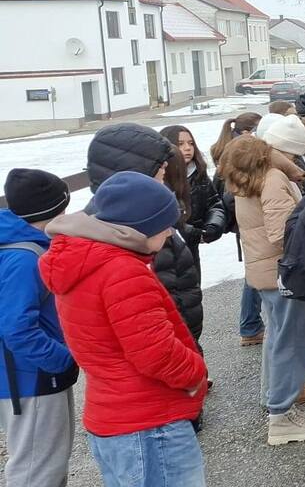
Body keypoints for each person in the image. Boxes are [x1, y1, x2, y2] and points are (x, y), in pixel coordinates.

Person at [40, 172, 209, 487]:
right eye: (164, 224)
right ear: (139, 227)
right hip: (149, 425)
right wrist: (196, 374)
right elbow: (156, 353)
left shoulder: (83, 262)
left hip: (113, 418)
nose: (169, 232)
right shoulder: (122, 271)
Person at [219, 127, 305, 445]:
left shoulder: (248, 178)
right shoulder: (273, 178)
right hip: (284, 271)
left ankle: (276, 402)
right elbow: (284, 233)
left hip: (265, 270)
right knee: (291, 341)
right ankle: (281, 414)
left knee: (277, 338)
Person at [0, 169, 77, 487]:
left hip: (30, 376)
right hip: (31, 379)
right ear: (52, 210)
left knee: (48, 472)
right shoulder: (23, 257)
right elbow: (16, 328)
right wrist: (62, 359)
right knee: (34, 480)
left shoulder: (20, 244)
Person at [86, 124, 203, 344]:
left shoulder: (133, 214)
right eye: (161, 168)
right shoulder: (137, 226)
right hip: (169, 345)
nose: (165, 174)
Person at [209, 113, 265, 347]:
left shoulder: (231, 153)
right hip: (249, 224)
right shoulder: (238, 157)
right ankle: (250, 325)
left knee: (255, 272)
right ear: (246, 132)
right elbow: (228, 197)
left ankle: (250, 325)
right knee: (256, 274)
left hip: (245, 224)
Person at [160, 125, 228, 264]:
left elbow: (214, 203)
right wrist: (190, 232)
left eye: (191, 143)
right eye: (180, 144)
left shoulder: (198, 174)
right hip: (164, 249)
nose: (187, 148)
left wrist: (214, 226)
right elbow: (165, 218)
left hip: (191, 247)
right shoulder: (159, 177)